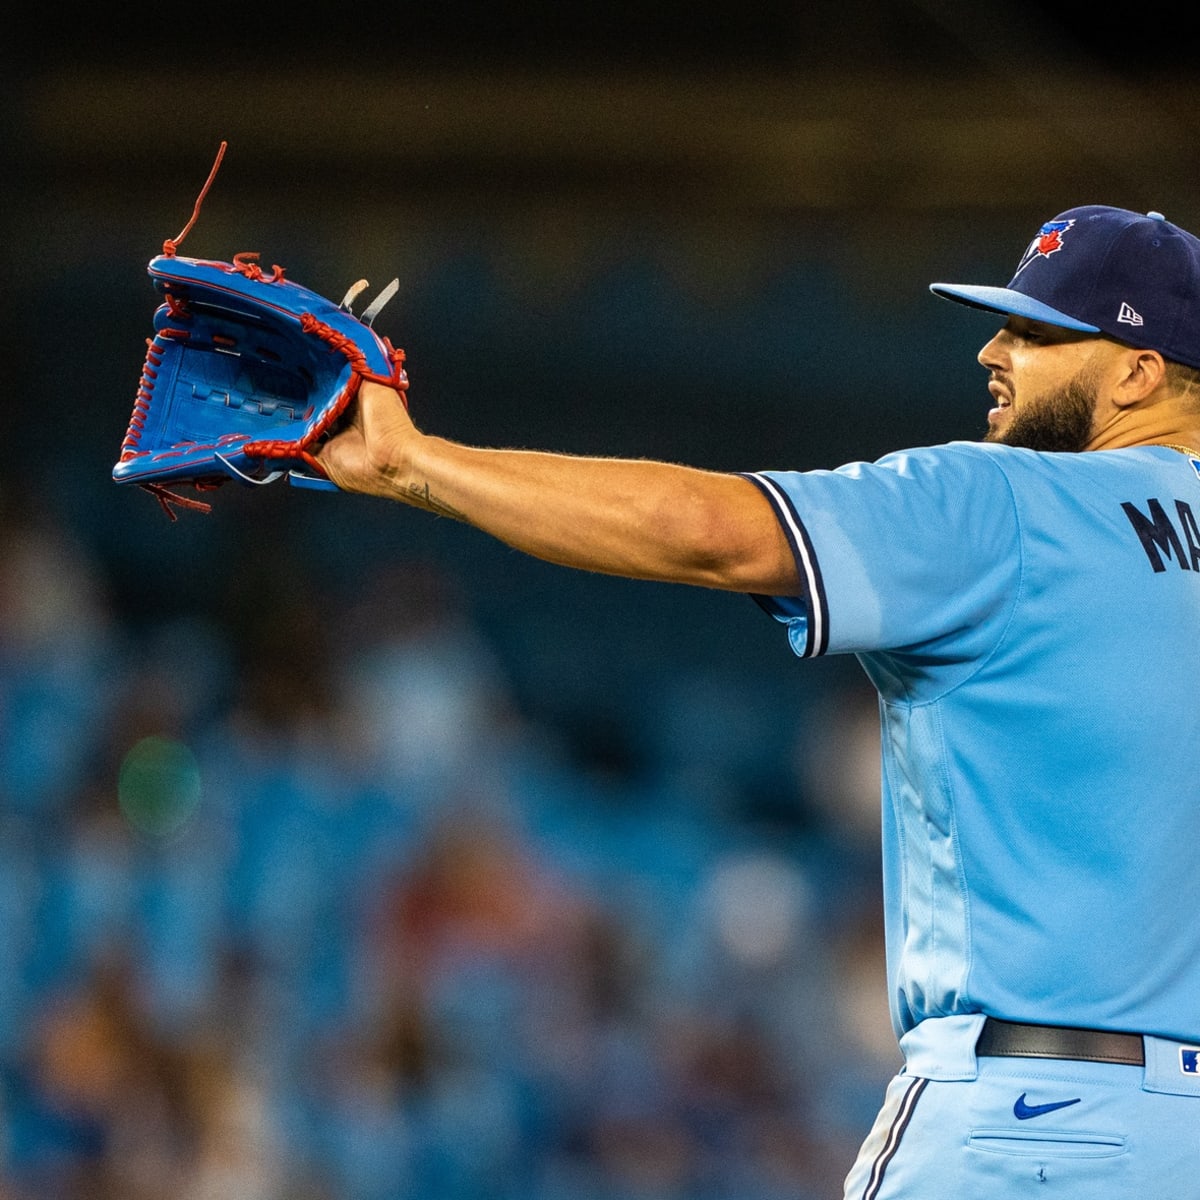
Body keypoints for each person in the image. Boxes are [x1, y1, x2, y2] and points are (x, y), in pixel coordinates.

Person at [315, 205, 1200, 1198]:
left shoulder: (1010, 504)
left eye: (1038, 333)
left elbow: (711, 531)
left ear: (1137, 371)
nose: (996, 349)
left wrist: (412, 461)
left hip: (1030, 1124)